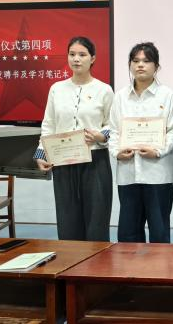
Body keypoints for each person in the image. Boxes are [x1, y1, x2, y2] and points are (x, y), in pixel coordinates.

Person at [34, 37, 114, 241]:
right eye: (72, 54)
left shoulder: (104, 90)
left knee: (97, 221)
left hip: (95, 160)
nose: (76, 59)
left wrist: (100, 136)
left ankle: (97, 261)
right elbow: (49, 124)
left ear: (92, 58)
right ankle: (70, 261)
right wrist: (41, 154)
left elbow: (112, 125)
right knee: (67, 220)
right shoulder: (57, 88)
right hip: (62, 161)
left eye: (82, 55)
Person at [108, 42, 173, 243]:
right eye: (135, 61)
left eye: (146, 61)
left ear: (156, 66)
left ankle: (159, 265)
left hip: (158, 172)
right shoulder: (120, 97)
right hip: (128, 173)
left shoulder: (167, 95)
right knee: (128, 234)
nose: (140, 65)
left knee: (159, 232)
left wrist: (159, 151)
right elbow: (113, 130)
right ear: (130, 65)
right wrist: (116, 152)